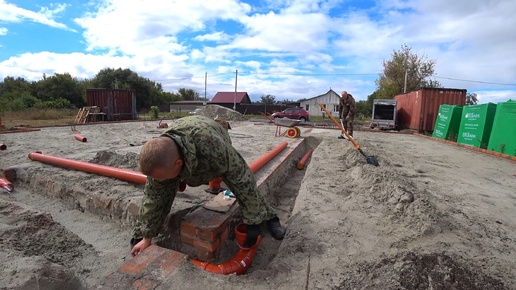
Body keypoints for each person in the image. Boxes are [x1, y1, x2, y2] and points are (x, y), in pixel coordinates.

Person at [130, 115, 286, 256]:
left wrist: (253, 221)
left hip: (212, 138)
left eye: (161, 177)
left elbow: (243, 180)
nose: (159, 180)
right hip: (186, 150)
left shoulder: (213, 147)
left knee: (236, 183)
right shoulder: (160, 158)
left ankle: (270, 218)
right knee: (161, 188)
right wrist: (146, 236)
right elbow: (153, 196)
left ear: (178, 164)